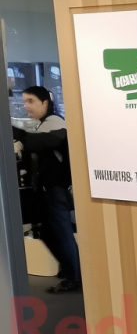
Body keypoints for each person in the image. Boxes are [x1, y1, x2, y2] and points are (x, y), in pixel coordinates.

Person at [12, 86, 81, 293]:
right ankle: (71, 269)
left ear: (45, 102)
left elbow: (39, 142)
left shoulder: (55, 124)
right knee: (50, 232)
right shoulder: (43, 125)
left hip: (55, 189)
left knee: (61, 232)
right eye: (25, 101)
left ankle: (74, 275)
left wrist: (14, 132)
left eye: (31, 101)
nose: (26, 106)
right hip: (47, 190)